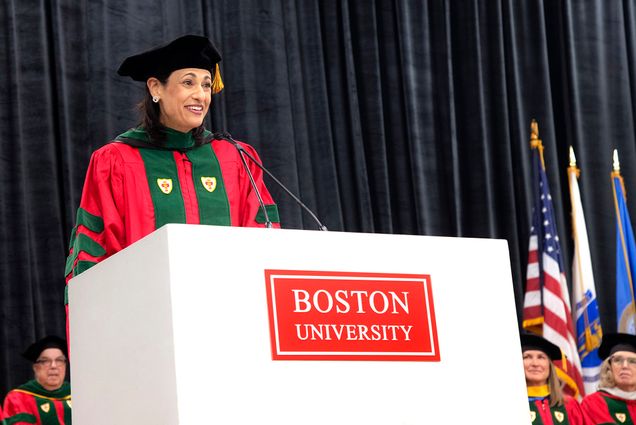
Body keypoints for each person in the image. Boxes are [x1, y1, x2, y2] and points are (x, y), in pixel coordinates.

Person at [65, 34, 280, 281]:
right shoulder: (116, 160)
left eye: (206, 84)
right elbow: (95, 253)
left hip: (229, 309)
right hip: (148, 310)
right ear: (156, 87)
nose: (201, 95)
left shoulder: (236, 158)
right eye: (188, 83)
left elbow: (265, 243)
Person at [3, 336, 71, 425]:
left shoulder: (77, 394)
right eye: (45, 361)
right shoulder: (18, 398)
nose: (53, 366)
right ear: (35, 368)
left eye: (59, 360)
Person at [521, 333, 584, 424]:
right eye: (527, 357)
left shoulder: (569, 405)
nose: (535, 363)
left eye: (541, 357)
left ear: (550, 366)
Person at [581, 332, 636, 424]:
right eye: (618, 360)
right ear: (609, 367)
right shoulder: (592, 404)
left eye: (633, 361)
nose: (625, 366)